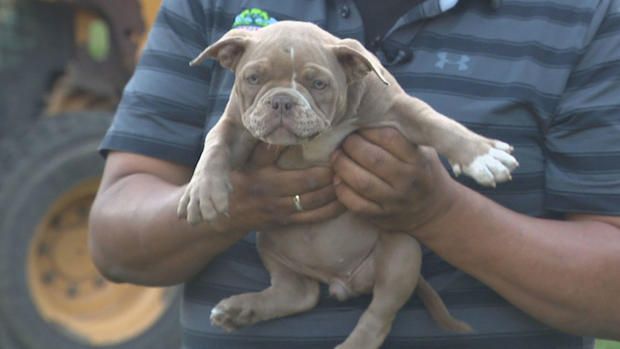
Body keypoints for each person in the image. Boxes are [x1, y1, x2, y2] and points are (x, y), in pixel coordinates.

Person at [88, 0, 620, 348]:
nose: (281, 103)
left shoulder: (585, 13)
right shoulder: (209, 9)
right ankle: (288, 291)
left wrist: (441, 212)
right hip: (285, 266)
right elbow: (113, 241)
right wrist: (239, 201)